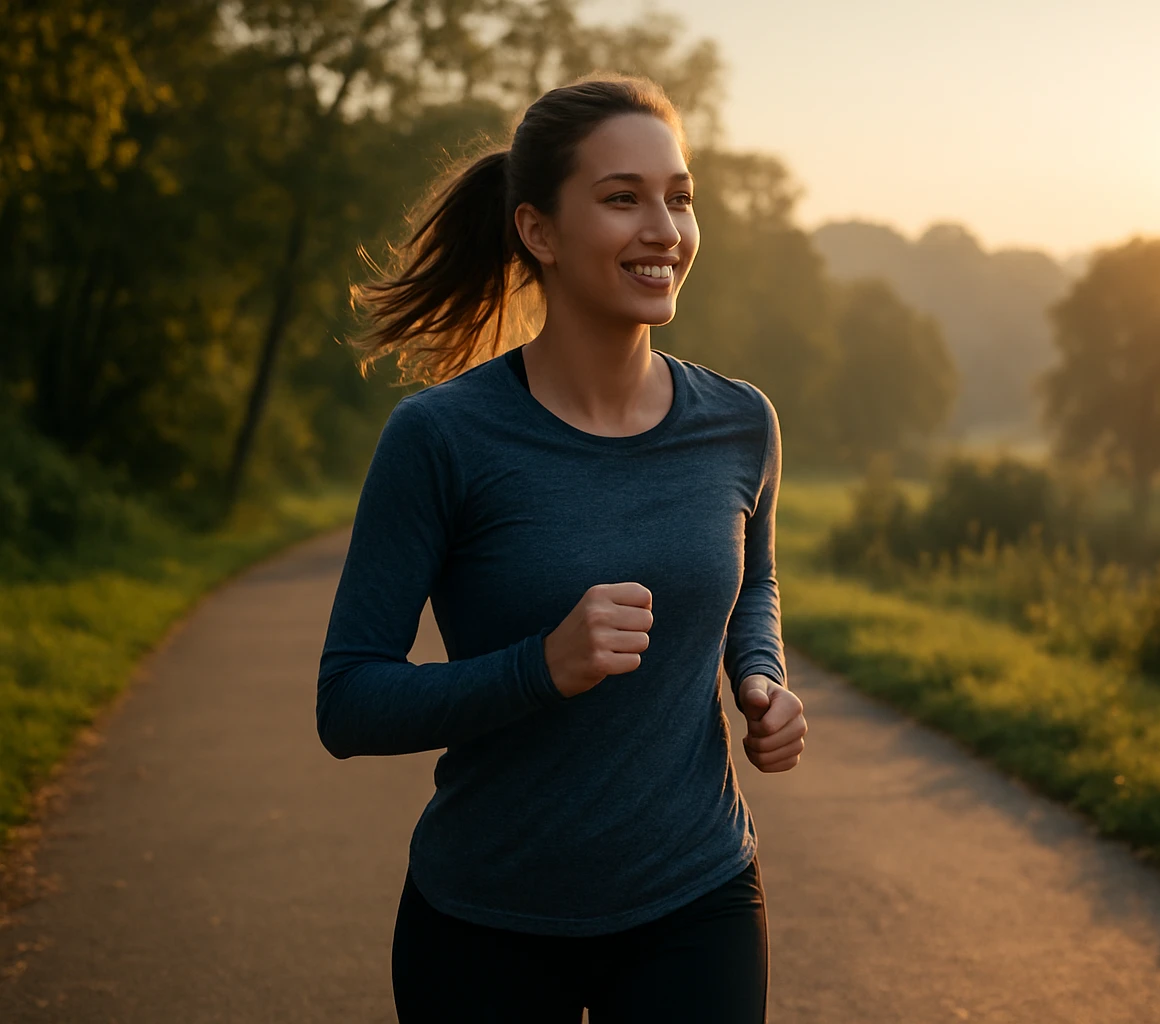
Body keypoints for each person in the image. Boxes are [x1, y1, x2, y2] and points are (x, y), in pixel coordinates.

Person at [315, 71, 808, 1023]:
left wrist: (760, 676)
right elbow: (349, 702)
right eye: (623, 199)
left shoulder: (741, 422)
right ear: (538, 230)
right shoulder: (443, 438)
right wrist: (540, 667)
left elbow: (756, 580)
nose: (664, 228)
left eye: (679, 198)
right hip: (484, 923)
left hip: (695, 899)